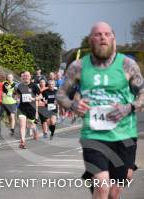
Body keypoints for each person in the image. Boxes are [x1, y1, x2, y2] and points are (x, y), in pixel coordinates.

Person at [56, 22, 144, 199]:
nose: (102, 37)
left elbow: (142, 92)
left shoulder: (127, 65)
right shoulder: (78, 66)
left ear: (113, 39)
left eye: (106, 34)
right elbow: (61, 94)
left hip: (124, 135)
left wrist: (130, 107)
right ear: (90, 40)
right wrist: (73, 105)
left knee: (114, 191)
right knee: (102, 184)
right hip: (93, 136)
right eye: (97, 34)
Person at [16, 71, 41, 149]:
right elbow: (16, 95)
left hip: (31, 108)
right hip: (22, 108)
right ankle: (22, 142)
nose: (26, 77)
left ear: (30, 77)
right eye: (25, 76)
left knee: (30, 125)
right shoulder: (19, 86)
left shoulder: (34, 86)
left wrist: (34, 98)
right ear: (23, 77)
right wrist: (16, 99)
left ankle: (35, 129)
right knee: (22, 125)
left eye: (28, 76)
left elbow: (40, 95)